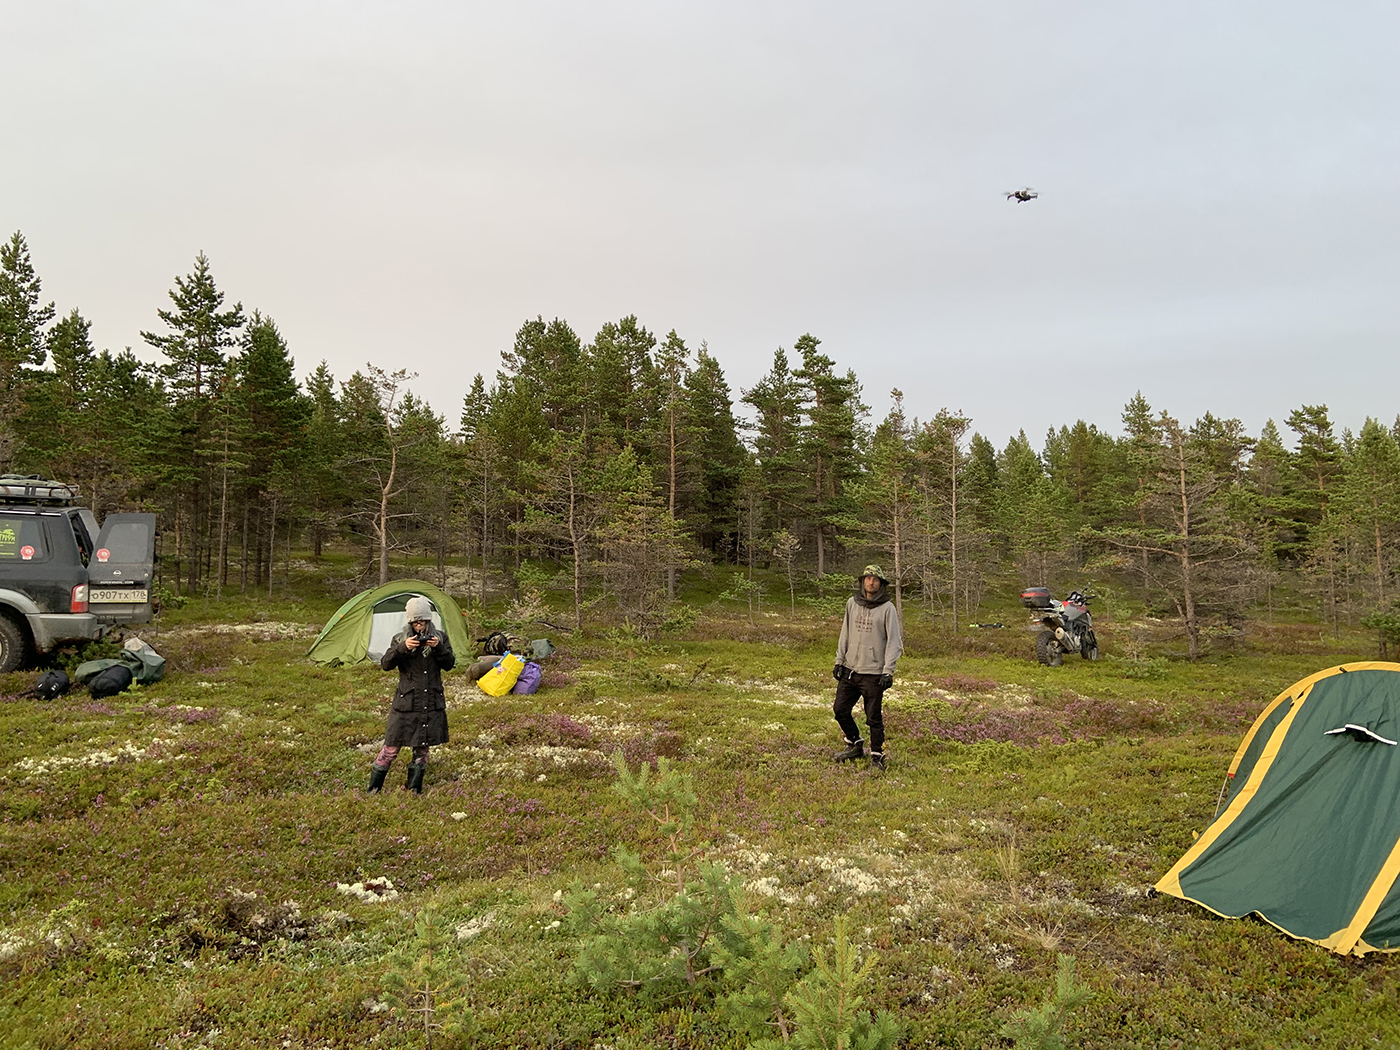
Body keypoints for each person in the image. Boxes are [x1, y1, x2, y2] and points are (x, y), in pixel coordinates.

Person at [367, 596, 456, 794]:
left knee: (422, 750)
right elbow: (385, 664)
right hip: (406, 704)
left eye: (422, 621)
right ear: (410, 622)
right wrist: (403, 648)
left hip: (430, 702)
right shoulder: (400, 639)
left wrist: (438, 648)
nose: (419, 626)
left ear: (428, 620)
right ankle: (373, 790)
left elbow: (450, 664)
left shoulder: (440, 638)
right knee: (391, 748)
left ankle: (414, 790)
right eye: (415, 622)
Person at [832, 564, 903, 770]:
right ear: (862, 581)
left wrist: (888, 671)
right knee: (840, 710)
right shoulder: (852, 603)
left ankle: (877, 757)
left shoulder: (887, 608)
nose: (871, 582)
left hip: (873, 673)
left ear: (881, 584)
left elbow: (894, 642)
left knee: (873, 717)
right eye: (867, 578)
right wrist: (839, 660)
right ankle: (855, 744)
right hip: (851, 669)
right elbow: (845, 633)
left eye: (875, 579)